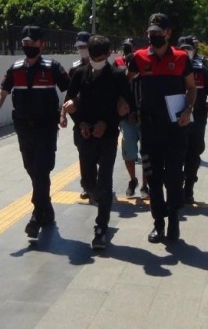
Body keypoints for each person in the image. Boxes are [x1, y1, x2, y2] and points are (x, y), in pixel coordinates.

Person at [0, 25, 70, 240]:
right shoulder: (15, 69)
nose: (28, 46)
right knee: (31, 169)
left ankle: (36, 216)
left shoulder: (52, 67)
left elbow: (70, 89)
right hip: (23, 127)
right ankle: (46, 208)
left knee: (41, 170)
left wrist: (64, 112)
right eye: (25, 43)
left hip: (46, 127)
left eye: (32, 43)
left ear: (42, 45)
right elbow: (2, 92)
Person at [127, 13, 196, 243]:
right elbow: (127, 82)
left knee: (174, 176)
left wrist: (188, 110)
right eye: (151, 32)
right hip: (149, 129)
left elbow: (191, 88)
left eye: (158, 31)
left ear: (168, 33)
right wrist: (128, 106)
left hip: (175, 129)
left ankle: (174, 219)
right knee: (153, 177)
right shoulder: (138, 58)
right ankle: (159, 223)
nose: (153, 35)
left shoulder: (181, 58)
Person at [62, 35, 134, 250]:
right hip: (85, 135)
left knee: (105, 180)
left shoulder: (117, 76)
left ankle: (101, 227)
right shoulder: (80, 73)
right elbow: (70, 101)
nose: (97, 61)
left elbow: (127, 105)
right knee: (87, 183)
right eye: (94, 57)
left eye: (101, 58)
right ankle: (101, 198)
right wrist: (80, 122)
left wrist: (109, 122)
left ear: (109, 54)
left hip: (108, 136)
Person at [177, 36, 208, 204]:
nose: (186, 52)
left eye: (189, 49)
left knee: (194, 152)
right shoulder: (171, 70)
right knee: (176, 153)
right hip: (175, 118)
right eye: (182, 49)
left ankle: (188, 188)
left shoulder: (201, 70)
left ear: (194, 50)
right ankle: (177, 187)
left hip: (197, 116)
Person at [114, 38, 149, 198]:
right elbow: (118, 98)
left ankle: (145, 186)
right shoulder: (121, 78)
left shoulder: (146, 78)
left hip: (145, 120)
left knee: (146, 153)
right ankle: (133, 180)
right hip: (127, 121)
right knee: (128, 153)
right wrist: (127, 114)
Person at [68, 31, 93, 201]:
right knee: (83, 153)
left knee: (100, 155)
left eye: (85, 46)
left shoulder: (102, 66)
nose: (82, 49)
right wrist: (66, 114)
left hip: (99, 115)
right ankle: (87, 186)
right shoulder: (74, 69)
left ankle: (100, 183)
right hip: (80, 117)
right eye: (79, 47)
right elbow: (70, 95)